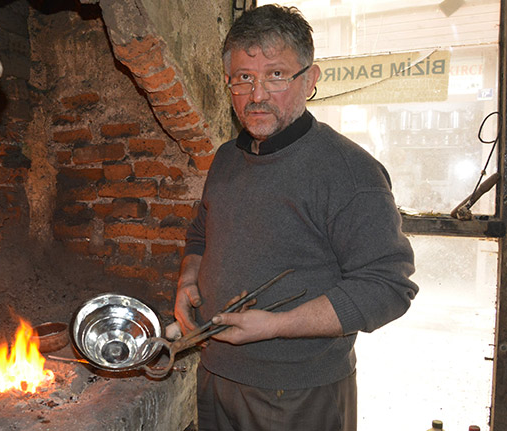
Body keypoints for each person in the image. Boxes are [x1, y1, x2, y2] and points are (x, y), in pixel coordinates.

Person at [174, 4, 419, 431]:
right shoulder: (226, 158)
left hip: (297, 395)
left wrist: (276, 326)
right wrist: (188, 279)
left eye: (276, 75)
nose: (257, 95)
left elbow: (388, 287)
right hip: (215, 375)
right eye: (243, 78)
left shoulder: (347, 170)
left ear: (310, 79)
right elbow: (201, 233)